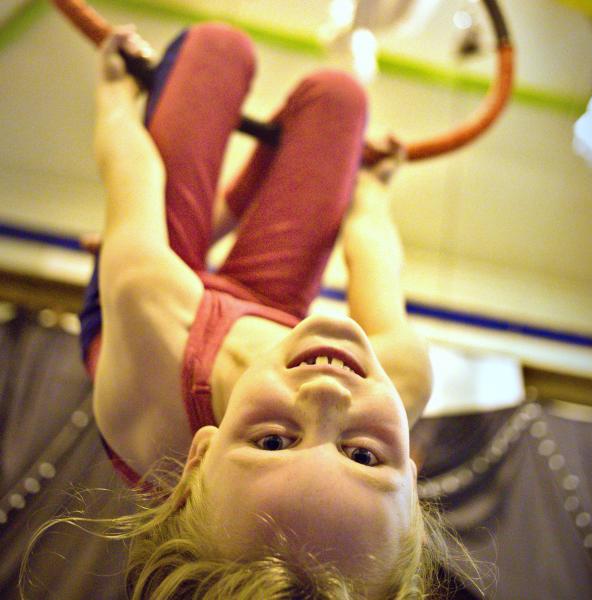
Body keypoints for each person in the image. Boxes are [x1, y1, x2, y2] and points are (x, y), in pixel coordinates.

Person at [80, 21, 444, 599]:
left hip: (161, 326)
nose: (328, 393)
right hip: (270, 313)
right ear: (413, 479)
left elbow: (132, 169)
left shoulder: (149, 336)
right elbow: (371, 245)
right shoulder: (401, 377)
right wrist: (372, 189)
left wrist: (115, 96)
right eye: (363, 455)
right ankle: (244, 193)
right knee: (340, 99)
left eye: (274, 442)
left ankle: (229, 204)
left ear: (201, 455)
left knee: (218, 50)